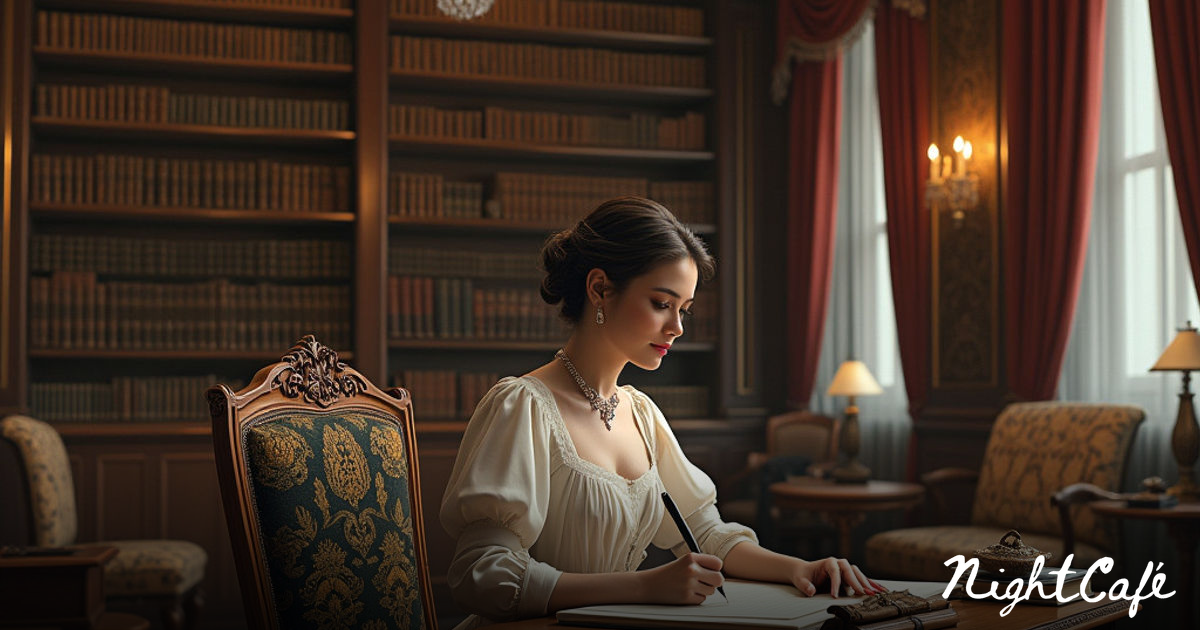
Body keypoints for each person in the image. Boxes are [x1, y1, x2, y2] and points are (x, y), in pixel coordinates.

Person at [439, 196, 884, 629]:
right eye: (661, 303)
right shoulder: (523, 407)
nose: (677, 327)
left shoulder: (641, 415)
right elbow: (483, 578)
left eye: (684, 309)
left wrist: (798, 569)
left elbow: (705, 531)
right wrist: (643, 586)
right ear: (600, 289)